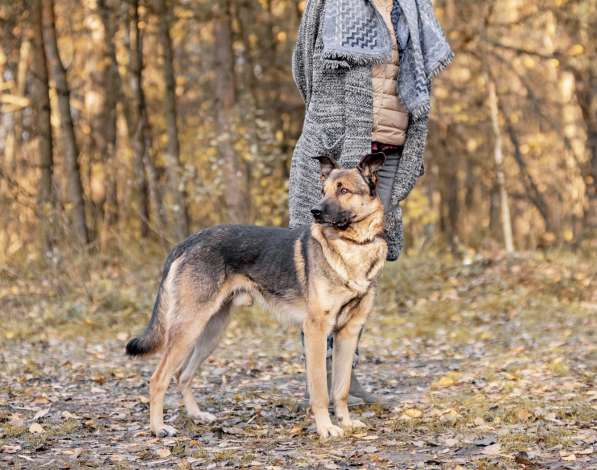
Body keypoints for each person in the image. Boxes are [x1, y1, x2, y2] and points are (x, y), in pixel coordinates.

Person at [289, 0, 453, 402]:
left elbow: (420, 75)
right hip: (339, 144)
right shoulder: (329, 3)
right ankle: (322, 378)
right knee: (321, 262)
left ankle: (348, 373)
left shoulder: (415, 7)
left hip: (391, 151)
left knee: (366, 261)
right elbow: (303, 68)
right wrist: (330, 118)